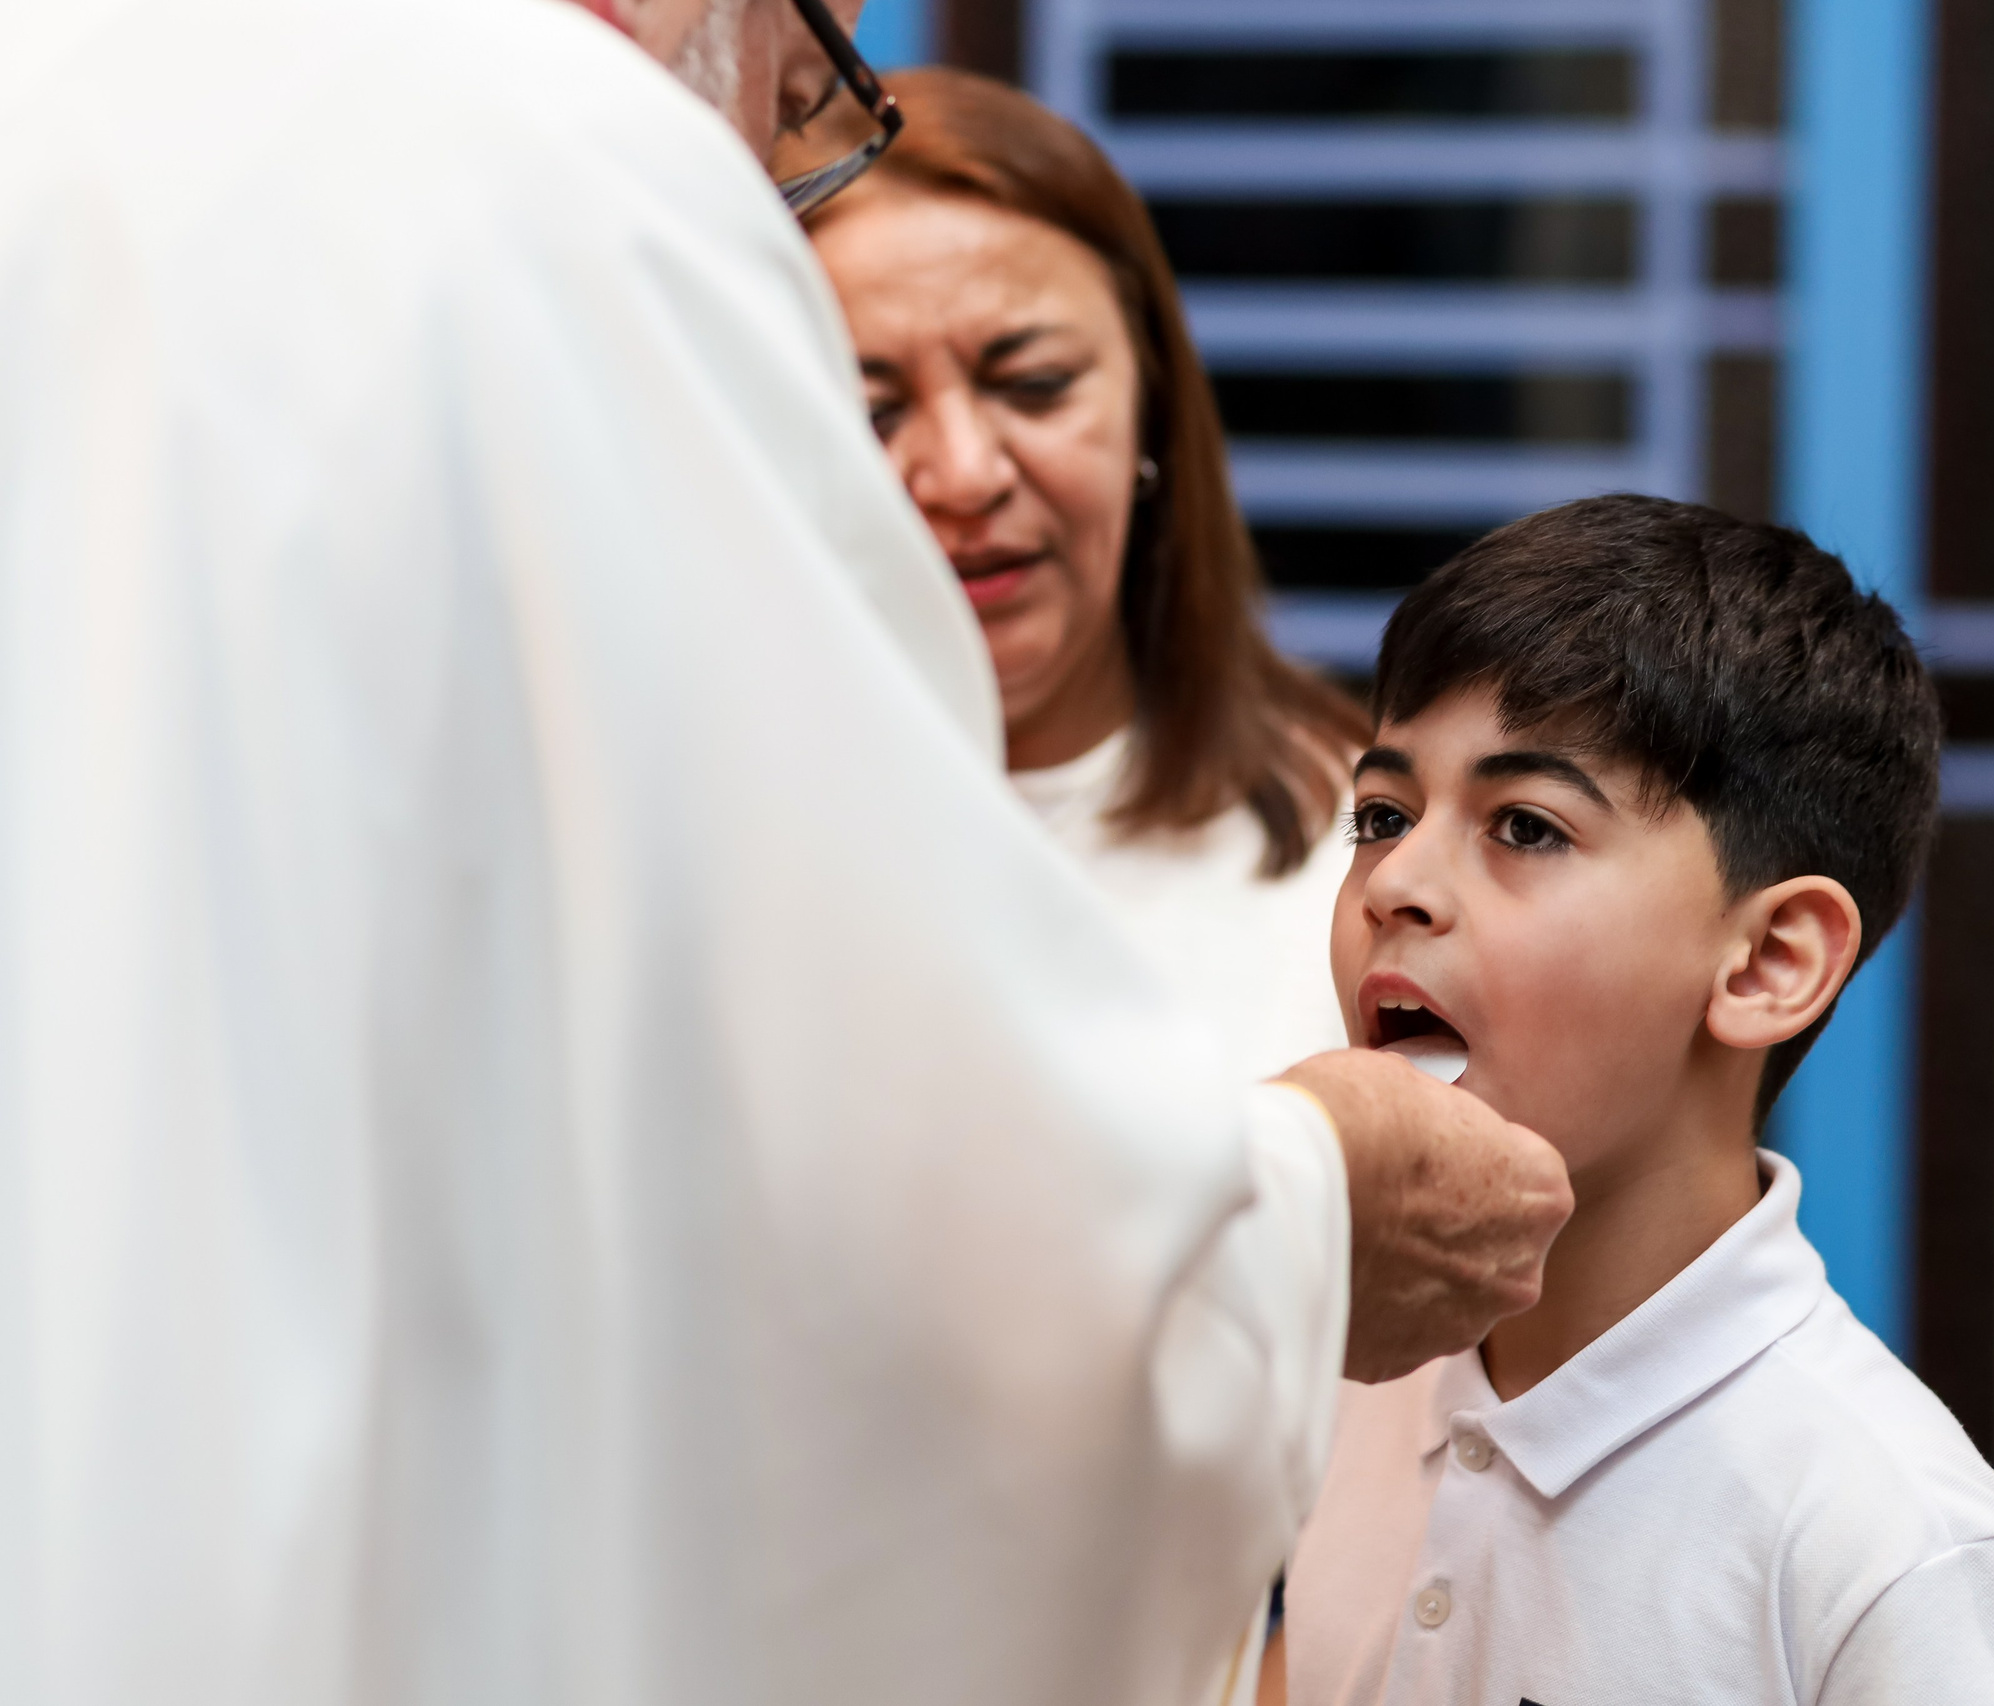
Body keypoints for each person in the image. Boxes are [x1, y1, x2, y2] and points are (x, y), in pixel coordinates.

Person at [0, 1, 1573, 1702]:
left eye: (1031, 379)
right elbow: (847, 1256)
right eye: (803, 66)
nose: (956, 474)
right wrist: (1305, 1217)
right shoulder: (564, 173)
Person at [1274, 497, 1994, 1705]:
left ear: (1769, 961)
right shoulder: (1352, 1372)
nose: (1395, 880)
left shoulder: (1898, 1552)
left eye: (1523, 825)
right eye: (1383, 815)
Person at [780, 69, 1363, 1078]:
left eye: (1034, 385)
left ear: (1149, 402)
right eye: (871, 408)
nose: (963, 474)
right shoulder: (679, 860)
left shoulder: (1370, 863)